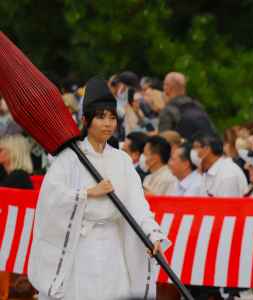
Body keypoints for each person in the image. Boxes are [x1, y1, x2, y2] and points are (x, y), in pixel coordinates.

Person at [28, 77, 166, 300]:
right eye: (101, 117)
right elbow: (50, 199)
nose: (108, 124)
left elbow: (137, 205)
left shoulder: (121, 160)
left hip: (113, 248)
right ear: (85, 120)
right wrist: (87, 194)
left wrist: (151, 234)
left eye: (112, 118)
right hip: (81, 247)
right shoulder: (69, 158)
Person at [0, 134, 35, 300]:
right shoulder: (10, 175)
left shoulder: (18, 177)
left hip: (13, 244)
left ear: (11, 153)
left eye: (1, 150)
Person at [159, 72, 216, 139]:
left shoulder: (168, 110)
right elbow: (212, 130)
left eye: (164, 84)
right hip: (205, 147)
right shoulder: (197, 105)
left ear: (168, 88)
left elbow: (163, 141)